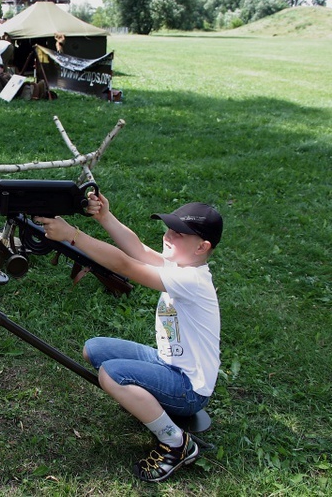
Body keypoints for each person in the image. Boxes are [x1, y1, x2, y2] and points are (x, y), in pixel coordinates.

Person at [37, 195, 223, 483]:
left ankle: (176, 443)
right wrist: (104, 217)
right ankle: (149, 405)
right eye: (168, 228)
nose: (168, 235)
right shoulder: (180, 266)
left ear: (202, 247)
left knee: (111, 375)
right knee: (94, 350)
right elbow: (137, 250)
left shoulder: (193, 280)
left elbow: (125, 266)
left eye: (179, 233)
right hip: (167, 363)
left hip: (189, 389)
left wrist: (73, 235)